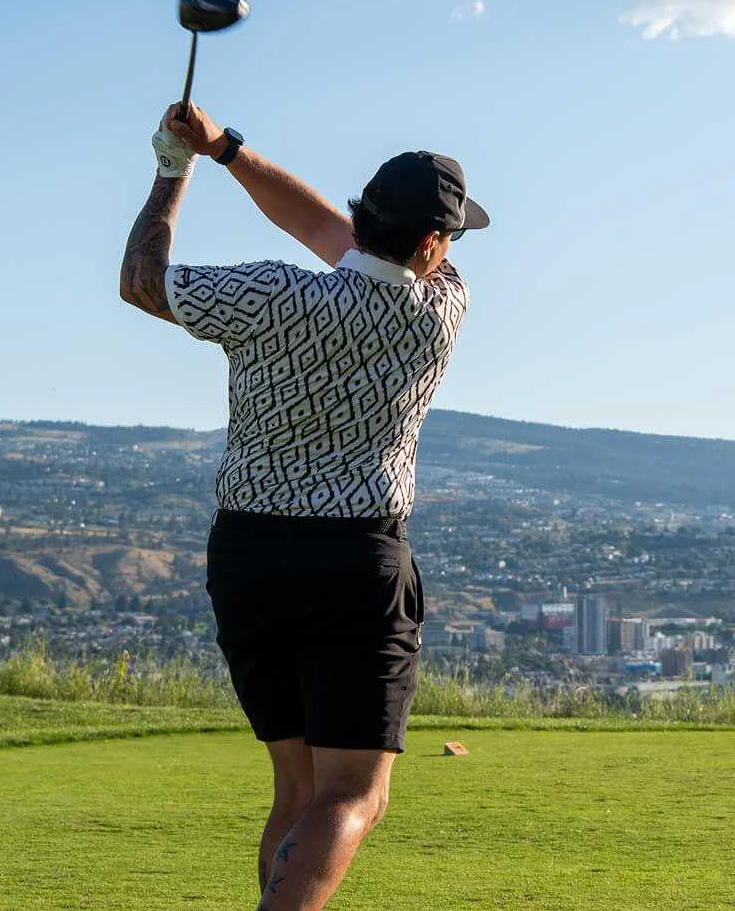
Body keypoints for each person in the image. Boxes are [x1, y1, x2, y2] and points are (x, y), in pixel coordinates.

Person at [119, 102, 489, 910]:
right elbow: (340, 238)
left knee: (297, 788)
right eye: (450, 238)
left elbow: (142, 280)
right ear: (433, 244)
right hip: (356, 562)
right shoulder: (440, 306)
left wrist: (185, 165)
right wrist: (226, 150)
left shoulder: (267, 294)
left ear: (363, 216)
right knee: (353, 794)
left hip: (249, 558)